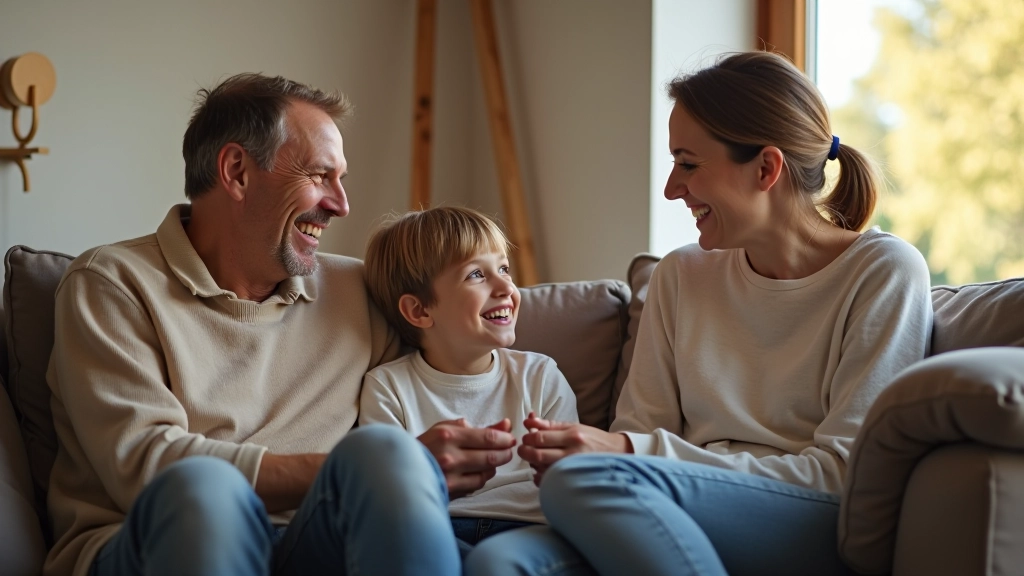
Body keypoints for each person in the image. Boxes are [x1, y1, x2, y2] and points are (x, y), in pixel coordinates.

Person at [464, 51, 934, 576]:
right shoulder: (682, 275)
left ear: (766, 168)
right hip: (674, 510)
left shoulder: (883, 271)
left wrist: (624, 452)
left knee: (585, 479)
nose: (671, 187)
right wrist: (609, 453)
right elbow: (641, 433)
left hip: (810, 521)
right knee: (499, 561)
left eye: (688, 164)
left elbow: (844, 475)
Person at [44, 74, 518, 576]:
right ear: (237, 171)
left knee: (385, 453)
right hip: (152, 540)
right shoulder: (112, 284)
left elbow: (452, 355)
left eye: (342, 179)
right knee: (206, 489)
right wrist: (352, 471)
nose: (341, 203)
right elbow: (144, 465)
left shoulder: (356, 290)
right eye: (319, 176)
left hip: (315, 540)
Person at [360, 206, 579, 554]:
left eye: (504, 268)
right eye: (477, 274)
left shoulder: (540, 375)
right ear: (419, 310)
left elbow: (573, 478)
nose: (505, 285)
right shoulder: (387, 388)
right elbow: (390, 493)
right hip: (438, 529)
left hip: (529, 530)